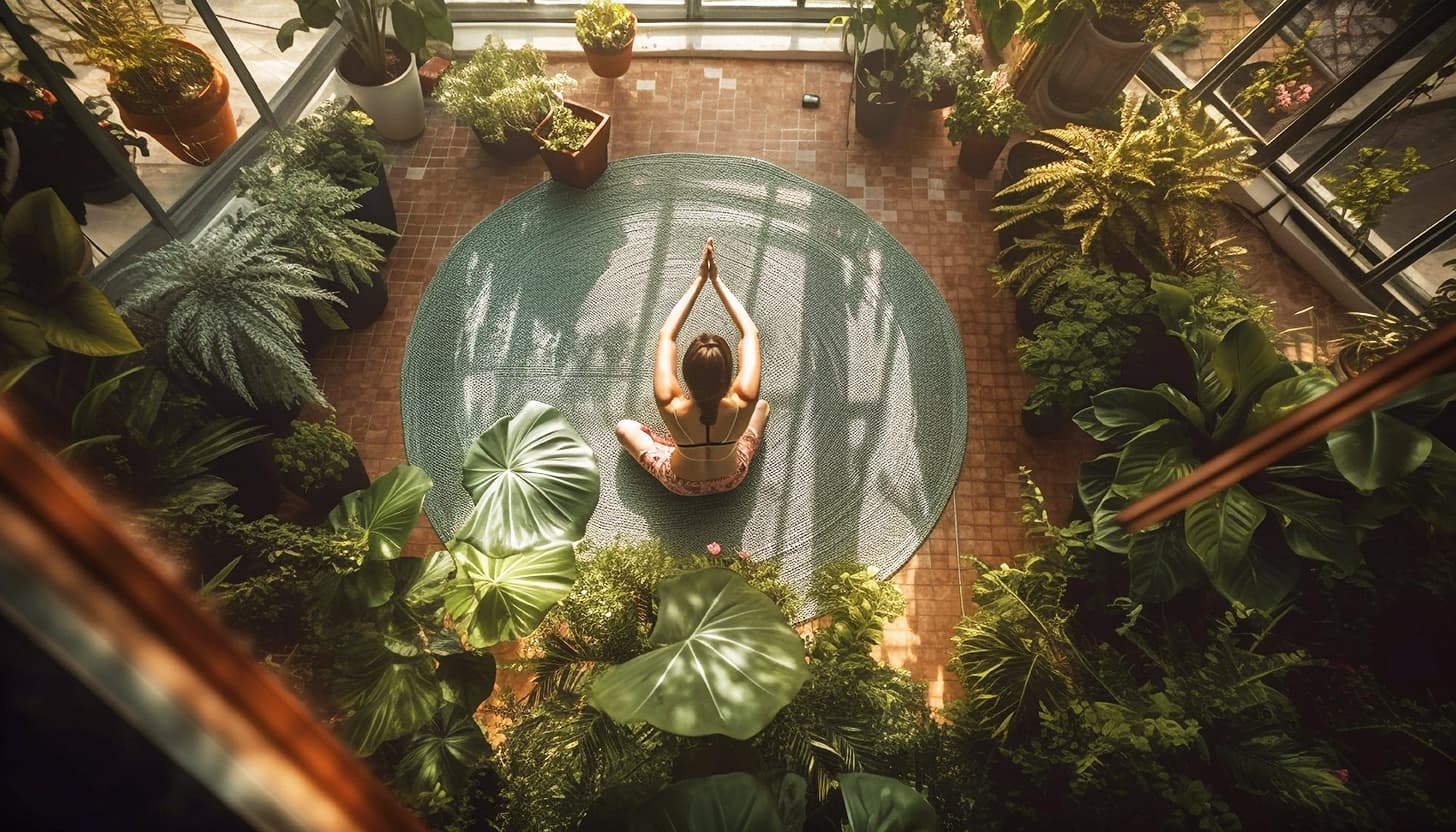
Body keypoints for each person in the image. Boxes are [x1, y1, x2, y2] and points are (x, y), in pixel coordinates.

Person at [616, 239, 770, 496]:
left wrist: (699, 280)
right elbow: (750, 333)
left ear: (686, 374)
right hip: (731, 477)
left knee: (624, 428)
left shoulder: (670, 402)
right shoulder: (745, 397)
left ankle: (666, 443)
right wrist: (717, 281)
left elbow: (667, 336)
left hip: (681, 483)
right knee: (762, 407)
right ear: (729, 374)